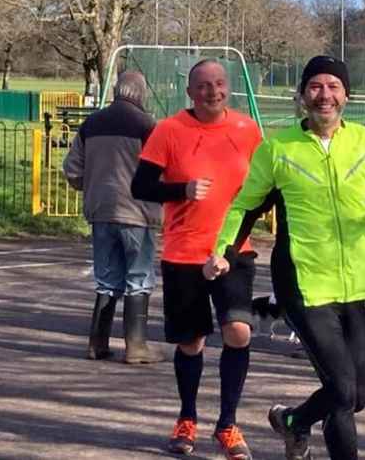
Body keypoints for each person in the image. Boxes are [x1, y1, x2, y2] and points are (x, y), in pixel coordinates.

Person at [205, 55, 365, 460]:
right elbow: (244, 206)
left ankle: (293, 422)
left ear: (347, 95)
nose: (324, 95)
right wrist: (222, 252)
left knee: (356, 395)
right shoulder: (278, 149)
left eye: (333, 87)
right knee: (342, 392)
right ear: (302, 96)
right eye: (315, 87)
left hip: (352, 283)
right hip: (302, 284)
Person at [131, 59, 262, 460]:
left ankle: (227, 424)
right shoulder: (169, 130)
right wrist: (181, 189)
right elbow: (141, 186)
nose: (213, 91)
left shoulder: (247, 130)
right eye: (203, 85)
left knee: (238, 331)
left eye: (219, 84)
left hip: (234, 252)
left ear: (229, 88)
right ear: (190, 92)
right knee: (191, 341)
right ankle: (186, 418)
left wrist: (231, 247)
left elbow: (264, 194)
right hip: (183, 252)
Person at [63, 71, 163, 365]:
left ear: (117, 91)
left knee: (106, 278)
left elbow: (72, 170)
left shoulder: (91, 124)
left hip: (100, 210)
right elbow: (164, 169)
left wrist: (91, 185)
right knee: (139, 277)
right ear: (141, 93)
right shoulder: (148, 125)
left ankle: (98, 343)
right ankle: (136, 346)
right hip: (138, 212)